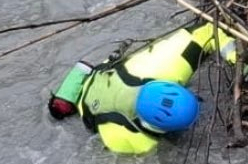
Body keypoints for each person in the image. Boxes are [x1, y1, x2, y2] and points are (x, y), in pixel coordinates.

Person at [47, 22, 237, 154]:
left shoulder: (164, 66)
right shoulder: (133, 141)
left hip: (100, 83)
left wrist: (238, 61)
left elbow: (208, 30)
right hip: (89, 93)